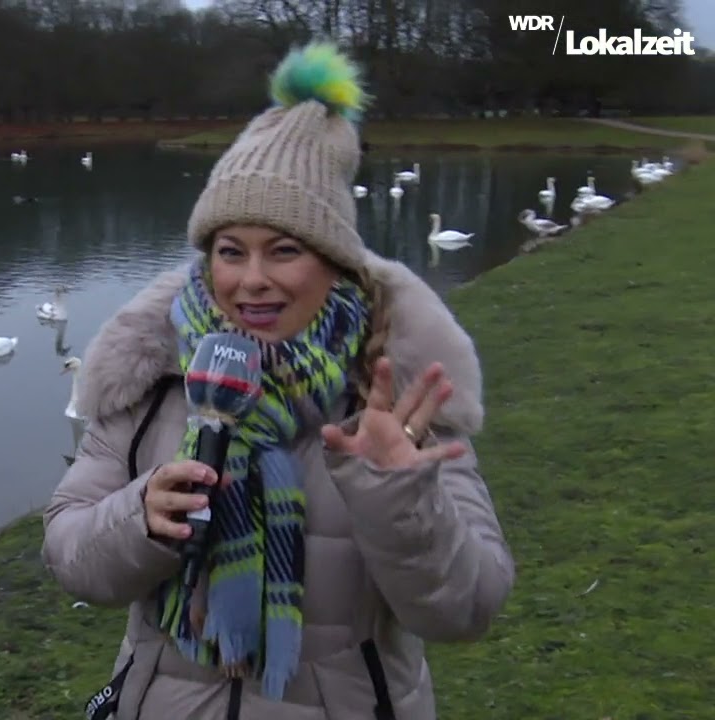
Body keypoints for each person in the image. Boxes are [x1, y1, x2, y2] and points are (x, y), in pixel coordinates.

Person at [41, 42, 514, 720]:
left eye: (284, 251)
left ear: (335, 263)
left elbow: (467, 610)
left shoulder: (394, 394)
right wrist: (140, 517)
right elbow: (69, 555)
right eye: (231, 252)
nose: (252, 280)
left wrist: (399, 498)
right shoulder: (152, 378)